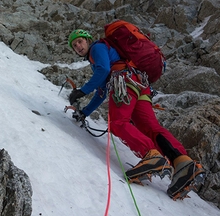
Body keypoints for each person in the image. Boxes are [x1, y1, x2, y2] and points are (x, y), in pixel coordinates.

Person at [67, 29, 206, 200]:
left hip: (123, 81)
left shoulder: (97, 48)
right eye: (74, 46)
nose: (78, 46)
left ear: (88, 40)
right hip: (139, 84)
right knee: (150, 127)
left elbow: (103, 70)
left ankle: (151, 155)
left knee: (118, 122)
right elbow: (102, 91)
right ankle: (183, 163)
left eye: (80, 41)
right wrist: (84, 112)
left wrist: (82, 90)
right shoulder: (103, 52)